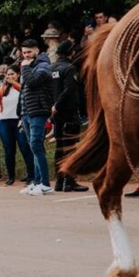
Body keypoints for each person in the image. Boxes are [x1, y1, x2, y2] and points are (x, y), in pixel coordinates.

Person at [50, 40, 88, 192]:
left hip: (56, 115)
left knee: (59, 147)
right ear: (71, 52)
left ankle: (59, 181)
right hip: (68, 113)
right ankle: (70, 181)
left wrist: (53, 106)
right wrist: (58, 104)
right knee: (71, 147)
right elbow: (69, 89)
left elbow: (49, 90)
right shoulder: (69, 68)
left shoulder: (52, 68)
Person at [19, 39, 54, 195]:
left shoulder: (43, 66)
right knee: (33, 147)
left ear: (37, 51)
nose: (26, 55)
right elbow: (24, 90)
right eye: (24, 52)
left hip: (38, 110)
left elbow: (32, 82)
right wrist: (20, 113)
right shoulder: (29, 66)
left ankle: (45, 183)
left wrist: (25, 68)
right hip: (26, 111)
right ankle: (37, 181)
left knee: (36, 145)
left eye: (29, 52)